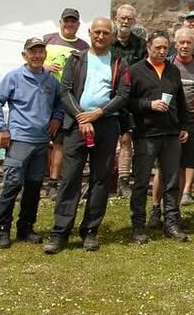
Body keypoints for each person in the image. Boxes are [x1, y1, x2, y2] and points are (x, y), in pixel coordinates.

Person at [45, 18, 130, 254]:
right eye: (97, 32)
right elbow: (65, 91)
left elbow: (123, 95)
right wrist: (82, 117)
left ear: (112, 36)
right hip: (77, 126)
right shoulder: (76, 59)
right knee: (70, 178)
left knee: (101, 180)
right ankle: (60, 232)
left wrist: (99, 113)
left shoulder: (119, 63)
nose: (101, 36)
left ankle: (90, 231)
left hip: (106, 125)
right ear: (90, 33)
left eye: (106, 33)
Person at [0, 37, 64, 248]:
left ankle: (26, 228)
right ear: (25, 55)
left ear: (45, 55)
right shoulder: (14, 77)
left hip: (41, 142)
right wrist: (1, 128)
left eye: (41, 52)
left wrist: (57, 117)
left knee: (33, 187)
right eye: (33, 52)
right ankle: (2, 229)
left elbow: (60, 103)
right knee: (11, 186)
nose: (37, 56)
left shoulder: (51, 80)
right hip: (19, 140)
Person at [127, 31, 190, 243]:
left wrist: (184, 125)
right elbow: (127, 102)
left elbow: (181, 101)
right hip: (146, 134)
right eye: (158, 48)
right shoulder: (135, 71)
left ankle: (171, 223)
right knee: (142, 182)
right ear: (148, 47)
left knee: (171, 181)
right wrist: (148, 105)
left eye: (165, 48)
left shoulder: (173, 70)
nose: (162, 51)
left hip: (171, 134)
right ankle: (138, 226)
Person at [149, 26, 194, 228]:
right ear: (175, 44)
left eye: (189, 43)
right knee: (163, 169)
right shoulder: (168, 64)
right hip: (168, 120)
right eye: (181, 42)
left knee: (183, 167)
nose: (185, 46)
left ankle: (174, 211)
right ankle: (156, 208)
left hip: (191, 121)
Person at [42, 7, 90, 199]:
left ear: (78, 24)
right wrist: (45, 66)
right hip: (44, 95)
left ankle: (53, 181)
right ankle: (33, 179)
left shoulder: (83, 45)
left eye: (73, 22)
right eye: (66, 21)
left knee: (59, 142)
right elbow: (31, 61)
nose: (69, 24)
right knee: (40, 139)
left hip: (68, 98)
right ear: (60, 22)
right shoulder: (47, 39)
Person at [110, 3, 144, 197]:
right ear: (117, 18)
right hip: (107, 96)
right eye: (123, 18)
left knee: (126, 139)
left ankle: (123, 181)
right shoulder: (107, 41)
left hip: (130, 98)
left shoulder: (140, 44)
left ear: (134, 21)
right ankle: (103, 178)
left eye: (129, 19)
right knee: (102, 139)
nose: (126, 21)